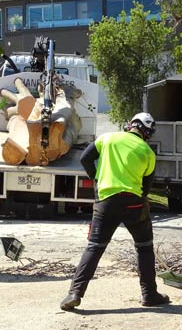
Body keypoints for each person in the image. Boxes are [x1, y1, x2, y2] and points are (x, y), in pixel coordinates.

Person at [60, 112, 171, 310]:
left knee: (94, 247)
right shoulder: (147, 152)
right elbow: (146, 189)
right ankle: (149, 294)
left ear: (130, 125)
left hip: (106, 203)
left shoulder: (107, 138)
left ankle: (74, 293)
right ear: (148, 133)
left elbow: (85, 158)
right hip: (134, 204)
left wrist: (97, 178)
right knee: (144, 248)